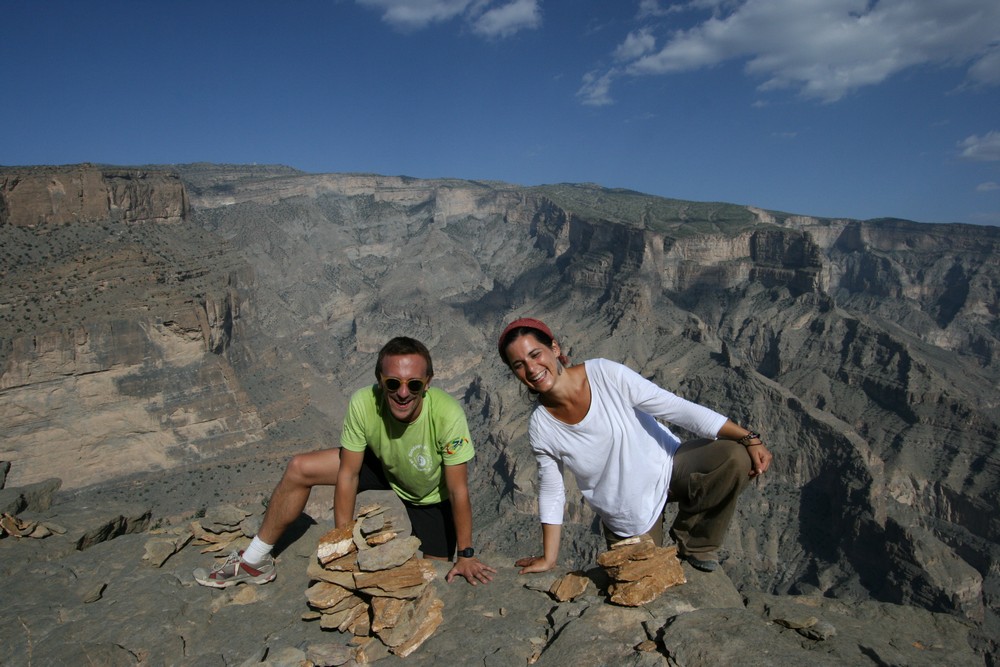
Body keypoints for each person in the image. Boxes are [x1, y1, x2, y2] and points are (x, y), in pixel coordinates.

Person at [194, 336, 496, 588]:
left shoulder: (448, 414)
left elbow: (458, 491)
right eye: (393, 383)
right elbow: (349, 474)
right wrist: (344, 543)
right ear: (380, 380)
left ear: (427, 383)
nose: (403, 393)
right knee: (300, 468)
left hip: (431, 497)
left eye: (413, 385)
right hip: (383, 467)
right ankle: (254, 561)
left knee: (432, 581)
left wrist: (466, 553)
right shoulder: (363, 402)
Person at [497, 317, 773, 573]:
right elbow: (552, 489)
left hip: (668, 466)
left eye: (535, 354)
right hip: (627, 512)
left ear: (554, 348)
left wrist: (748, 436)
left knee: (735, 456)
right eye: (518, 365)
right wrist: (549, 557)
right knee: (639, 582)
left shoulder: (604, 374)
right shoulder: (542, 427)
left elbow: (675, 408)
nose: (531, 369)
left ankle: (695, 544)